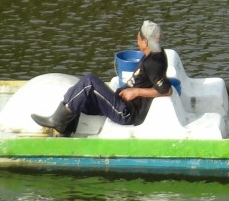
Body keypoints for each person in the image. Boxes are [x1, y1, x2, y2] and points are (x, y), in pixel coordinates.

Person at [32, 20, 173, 136]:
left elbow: (166, 90)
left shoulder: (154, 62)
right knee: (79, 90)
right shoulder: (154, 54)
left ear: (144, 41)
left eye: (138, 36)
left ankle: (57, 121)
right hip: (120, 102)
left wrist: (136, 92)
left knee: (89, 81)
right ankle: (65, 128)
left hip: (126, 112)